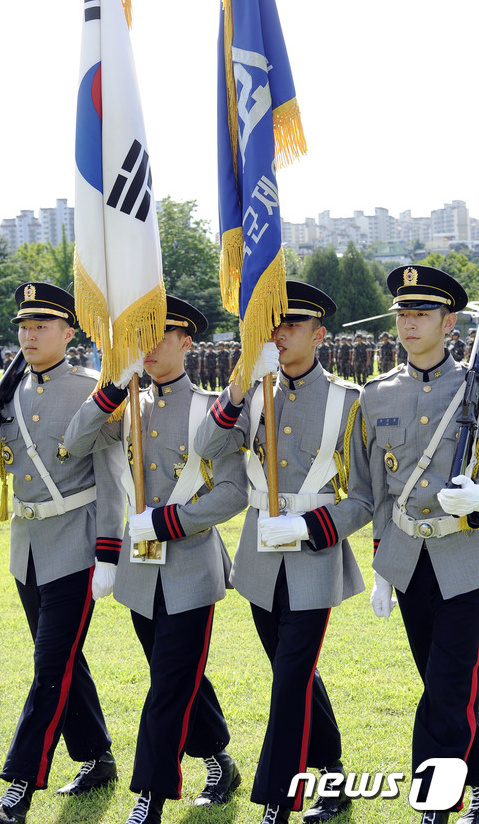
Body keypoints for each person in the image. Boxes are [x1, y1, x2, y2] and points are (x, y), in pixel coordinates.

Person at [0, 282, 126, 824]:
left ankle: (18, 790)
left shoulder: (93, 390)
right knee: (62, 660)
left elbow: (112, 480)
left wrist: (109, 552)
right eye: (24, 326)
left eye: (42, 326)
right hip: (27, 551)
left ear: (68, 333)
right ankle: (97, 757)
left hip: (78, 547)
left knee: (49, 668)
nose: (30, 335)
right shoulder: (7, 392)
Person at [63, 295, 249, 824]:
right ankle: (218, 758)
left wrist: (171, 521)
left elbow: (233, 491)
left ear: (187, 343)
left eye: (161, 335)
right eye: (141, 335)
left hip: (191, 566)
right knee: (177, 673)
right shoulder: (126, 404)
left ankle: (150, 794)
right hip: (139, 572)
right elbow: (74, 444)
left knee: (168, 682)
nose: (148, 345)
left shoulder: (209, 409)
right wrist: (113, 387)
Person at [194, 281, 373, 824]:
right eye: (275, 323)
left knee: (291, 678)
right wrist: (237, 390)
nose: (280, 332)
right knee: (294, 673)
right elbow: (206, 448)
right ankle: (335, 778)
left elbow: (364, 498)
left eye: (293, 324)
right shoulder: (253, 392)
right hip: (259, 558)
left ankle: (277, 799)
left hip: (314, 554)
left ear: (319, 335)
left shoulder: (348, 401)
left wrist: (308, 527)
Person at [360, 265, 479, 824]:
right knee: (435, 679)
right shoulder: (378, 392)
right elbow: (379, 489)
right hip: (410, 559)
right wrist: (384, 565)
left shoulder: (473, 387)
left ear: (448, 321)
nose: (408, 323)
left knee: (450, 684)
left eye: (421, 313)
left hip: (467, 557)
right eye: (403, 313)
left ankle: (439, 798)